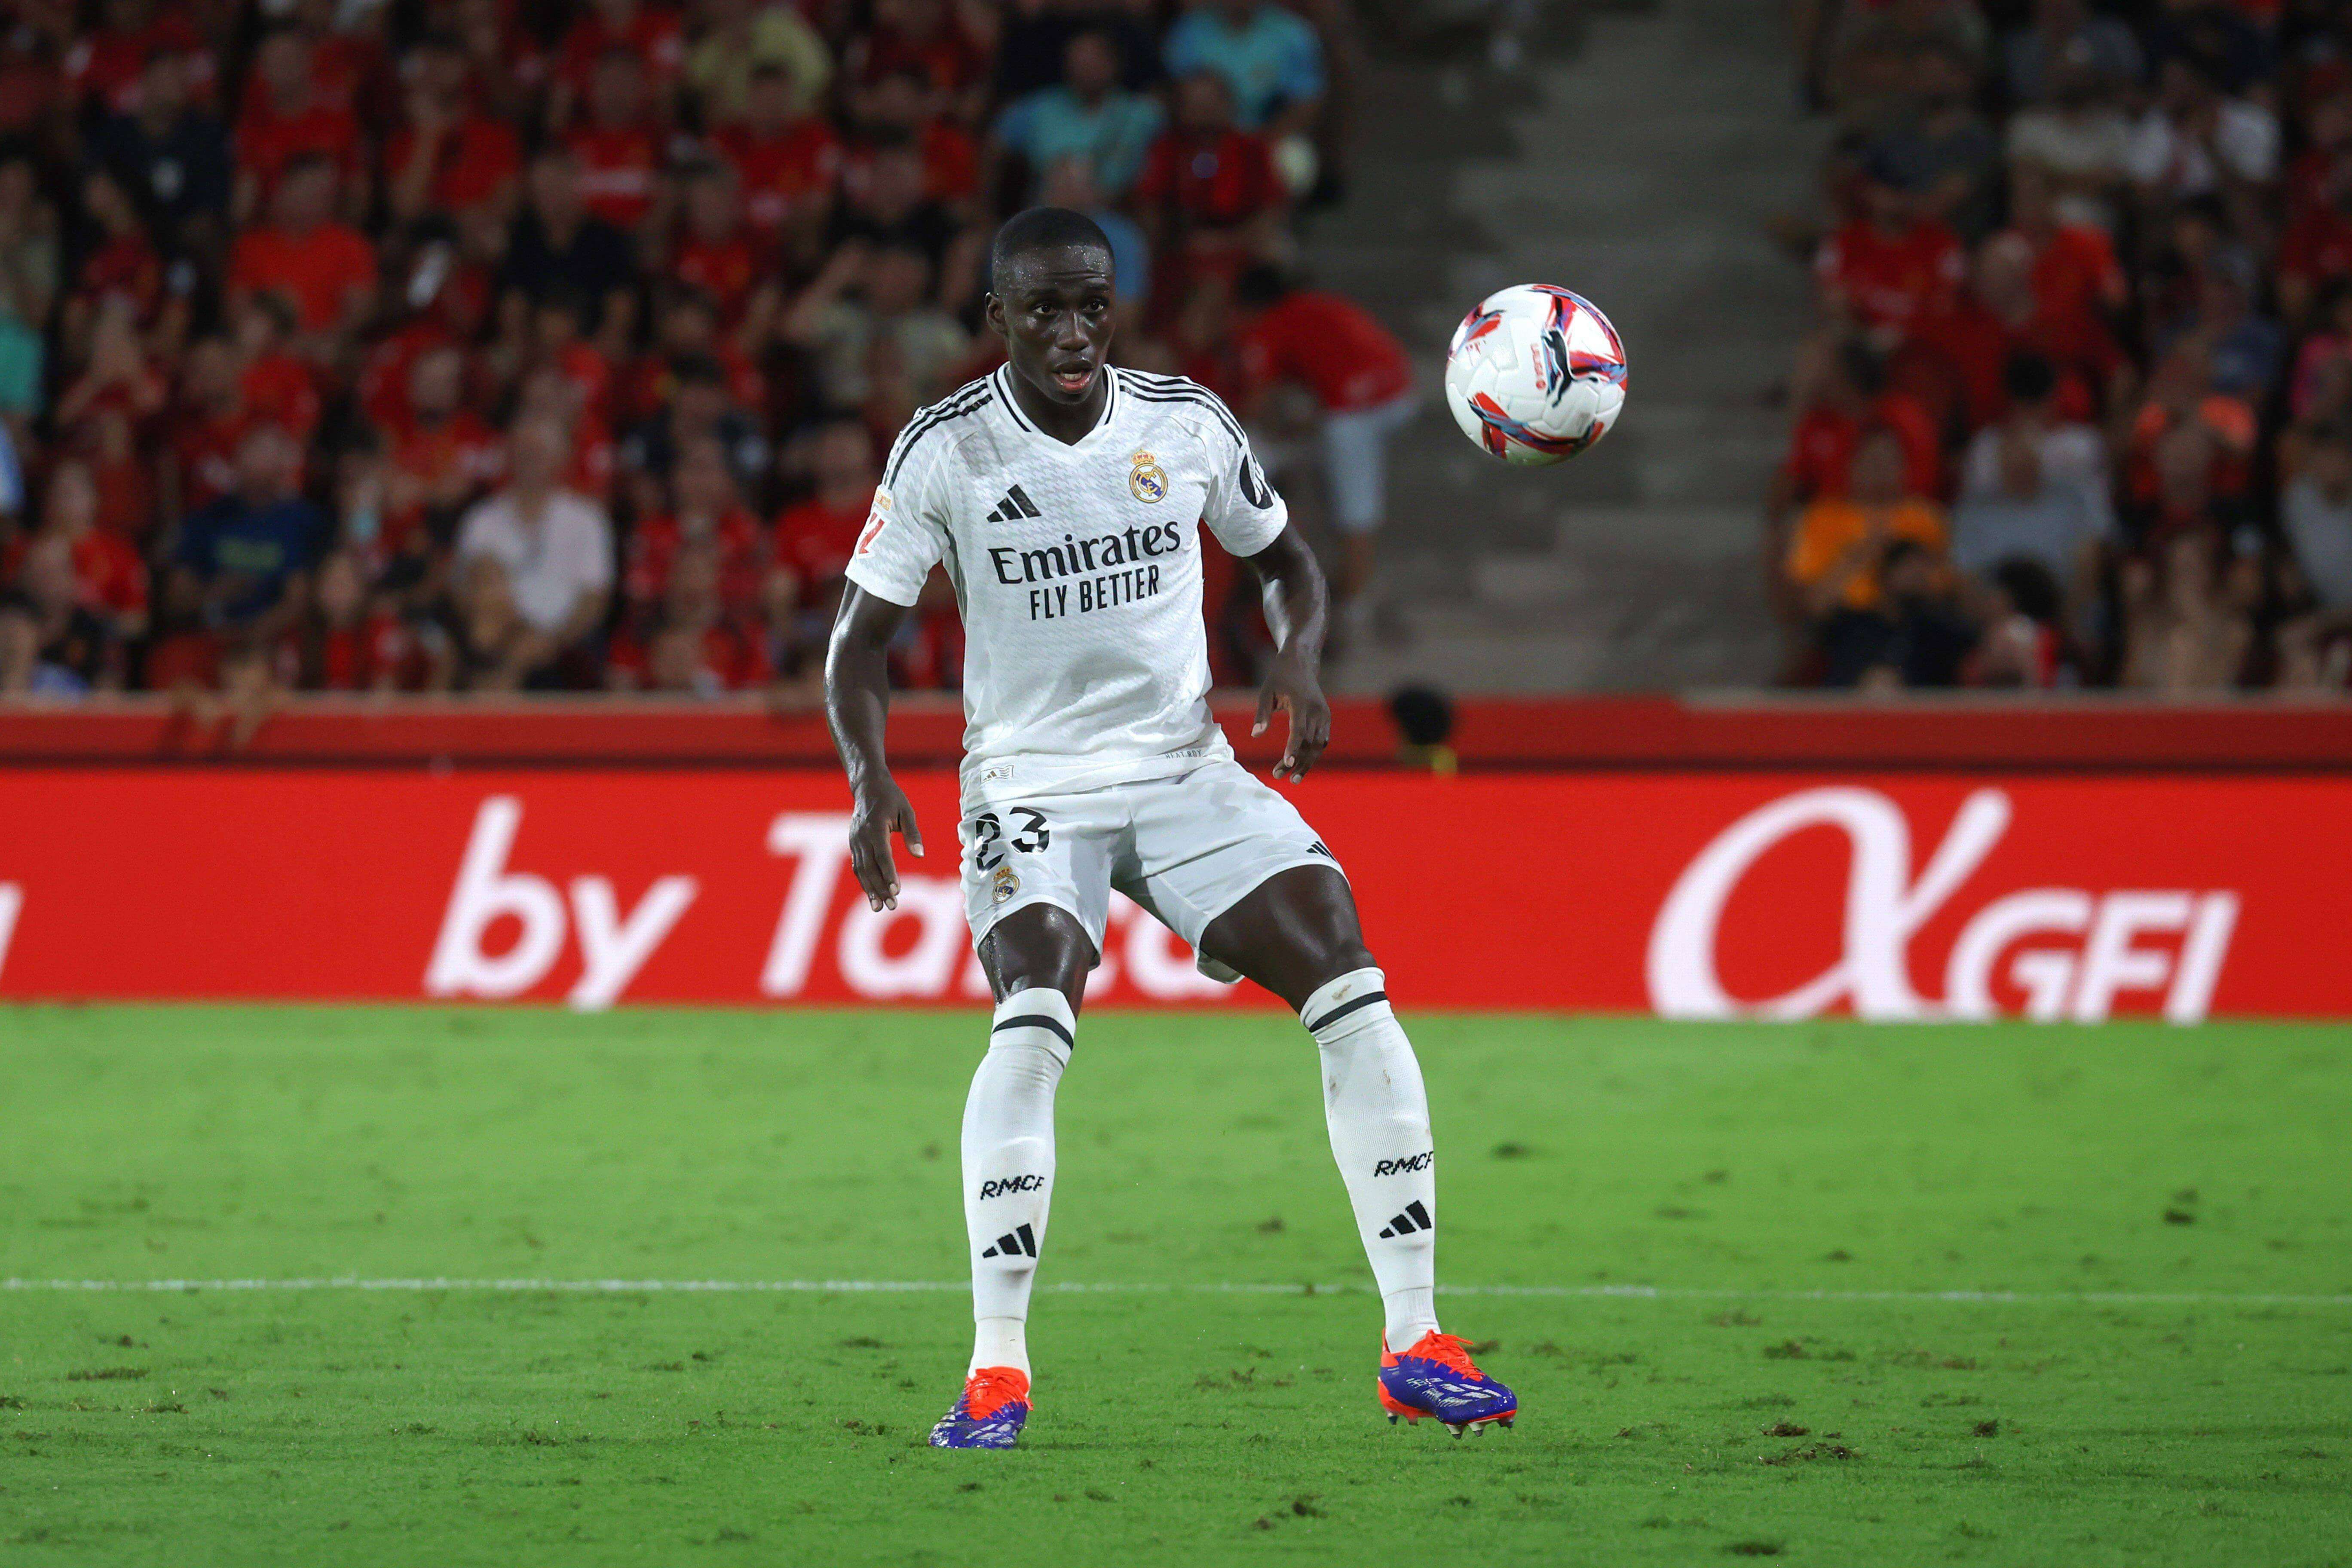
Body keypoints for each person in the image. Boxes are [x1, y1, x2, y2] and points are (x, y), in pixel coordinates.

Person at [826, 207, 1516, 1450]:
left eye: (1092, 303)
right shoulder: (945, 451)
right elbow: (855, 649)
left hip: (1183, 768)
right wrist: (871, 779)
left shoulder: (1185, 422)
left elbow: (1288, 560)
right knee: (1035, 1013)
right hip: (1032, 782)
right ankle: (997, 1370)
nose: (1072, 330)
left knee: (1352, 980)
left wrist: (1300, 658)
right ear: (999, 320)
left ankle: (1415, 1340)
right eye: (1042, 308)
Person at [1232, 264, 1415, 631]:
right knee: (1298, 437)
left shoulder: (1270, 324)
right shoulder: (1320, 305)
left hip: (1354, 413)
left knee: (1354, 508)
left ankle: (1354, 602)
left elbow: (1253, 405)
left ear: (1250, 305)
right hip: (1400, 392)